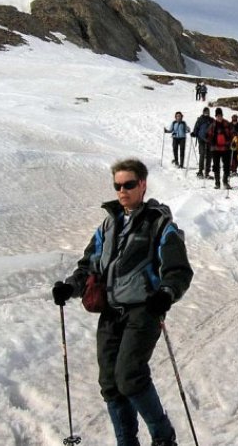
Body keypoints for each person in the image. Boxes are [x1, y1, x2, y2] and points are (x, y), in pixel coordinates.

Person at [52, 159, 193, 446]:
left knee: (129, 376)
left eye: (128, 184)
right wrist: (70, 287)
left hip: (144, 310)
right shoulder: (107, 225)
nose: (122, 191)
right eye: (117, 186)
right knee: (110, 384)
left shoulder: (159, 224)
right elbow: (89, 265)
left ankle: (164, 438)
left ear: (142, 184)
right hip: (110, 312)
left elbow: (178, 271)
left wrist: (165, 294)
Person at [205, 107, 235, 190]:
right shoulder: (212, 125)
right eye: (218, 116)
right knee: (216, 166)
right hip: (215, 149)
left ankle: (225, 181)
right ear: (215, 116)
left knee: (227, 166)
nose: (219, 117)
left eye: (220, 115)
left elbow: (233, 134)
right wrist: (208, 139)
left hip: (226, 148)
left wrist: (233, 141)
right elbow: (208, 135)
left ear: (222, 115)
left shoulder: (227, 124)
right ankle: (217, 183)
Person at [190, 107, 213, 178]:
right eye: (205, 112)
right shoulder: (200, 119)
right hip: (201, 139)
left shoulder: (211, 120)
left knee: (209, 155)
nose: (206, 113)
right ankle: (200, 171)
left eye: (207, 112)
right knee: (202, 154)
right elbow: (196, 127)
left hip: (209, 139)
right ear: (203, 112)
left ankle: (207, 172)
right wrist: (194, 133)